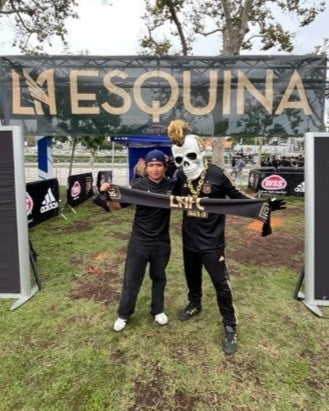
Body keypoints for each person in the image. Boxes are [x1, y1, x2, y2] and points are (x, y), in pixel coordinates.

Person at [168, 119, 285, 355]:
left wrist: (262, 205)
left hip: (212, 242)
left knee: (221, 284)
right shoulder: (180, 176)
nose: (184, 164)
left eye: (189, 157)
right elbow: (166, 198)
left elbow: (237, 196)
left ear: (201, 153)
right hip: (189, 238)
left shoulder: (217, 174)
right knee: (191, 275)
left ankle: (230, 324)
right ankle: (195, 303)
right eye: (179, 160)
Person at [101, 150, 174, 332]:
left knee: (159, 277)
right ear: (146, 167)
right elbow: (117, 207)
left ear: (165, 167)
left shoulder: (172, 186)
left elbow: (192, 199)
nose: (155, 169)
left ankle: (158, 310)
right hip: (140, 241)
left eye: (159, 165)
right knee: (132, 278)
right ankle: (124, 314)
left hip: (162, 241)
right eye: (151, 165)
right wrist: (109, 194)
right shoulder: (138, 185)